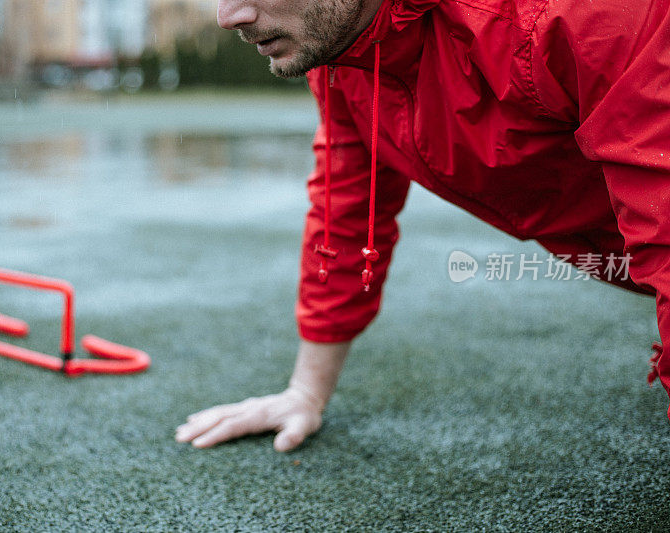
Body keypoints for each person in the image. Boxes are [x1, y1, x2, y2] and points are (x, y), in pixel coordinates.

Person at [175, 0, 670, 452]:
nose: (228, 15)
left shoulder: (584, 16)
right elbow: (346, 213)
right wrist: (305, 391)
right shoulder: (342, 57)